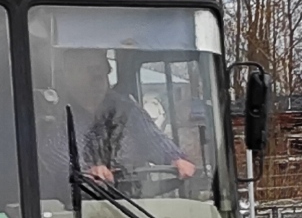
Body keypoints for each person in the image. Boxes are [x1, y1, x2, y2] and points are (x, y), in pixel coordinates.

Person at [37, 49, 195, 201]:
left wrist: (175, 158)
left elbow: (153, 139)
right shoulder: (56, 116)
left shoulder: (126, 110)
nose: (98, 76)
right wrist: (86, 172)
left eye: (102, 69)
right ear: (70, 74)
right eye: (91, 70)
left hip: (135, 205)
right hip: (75, 212)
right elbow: (58, 158)